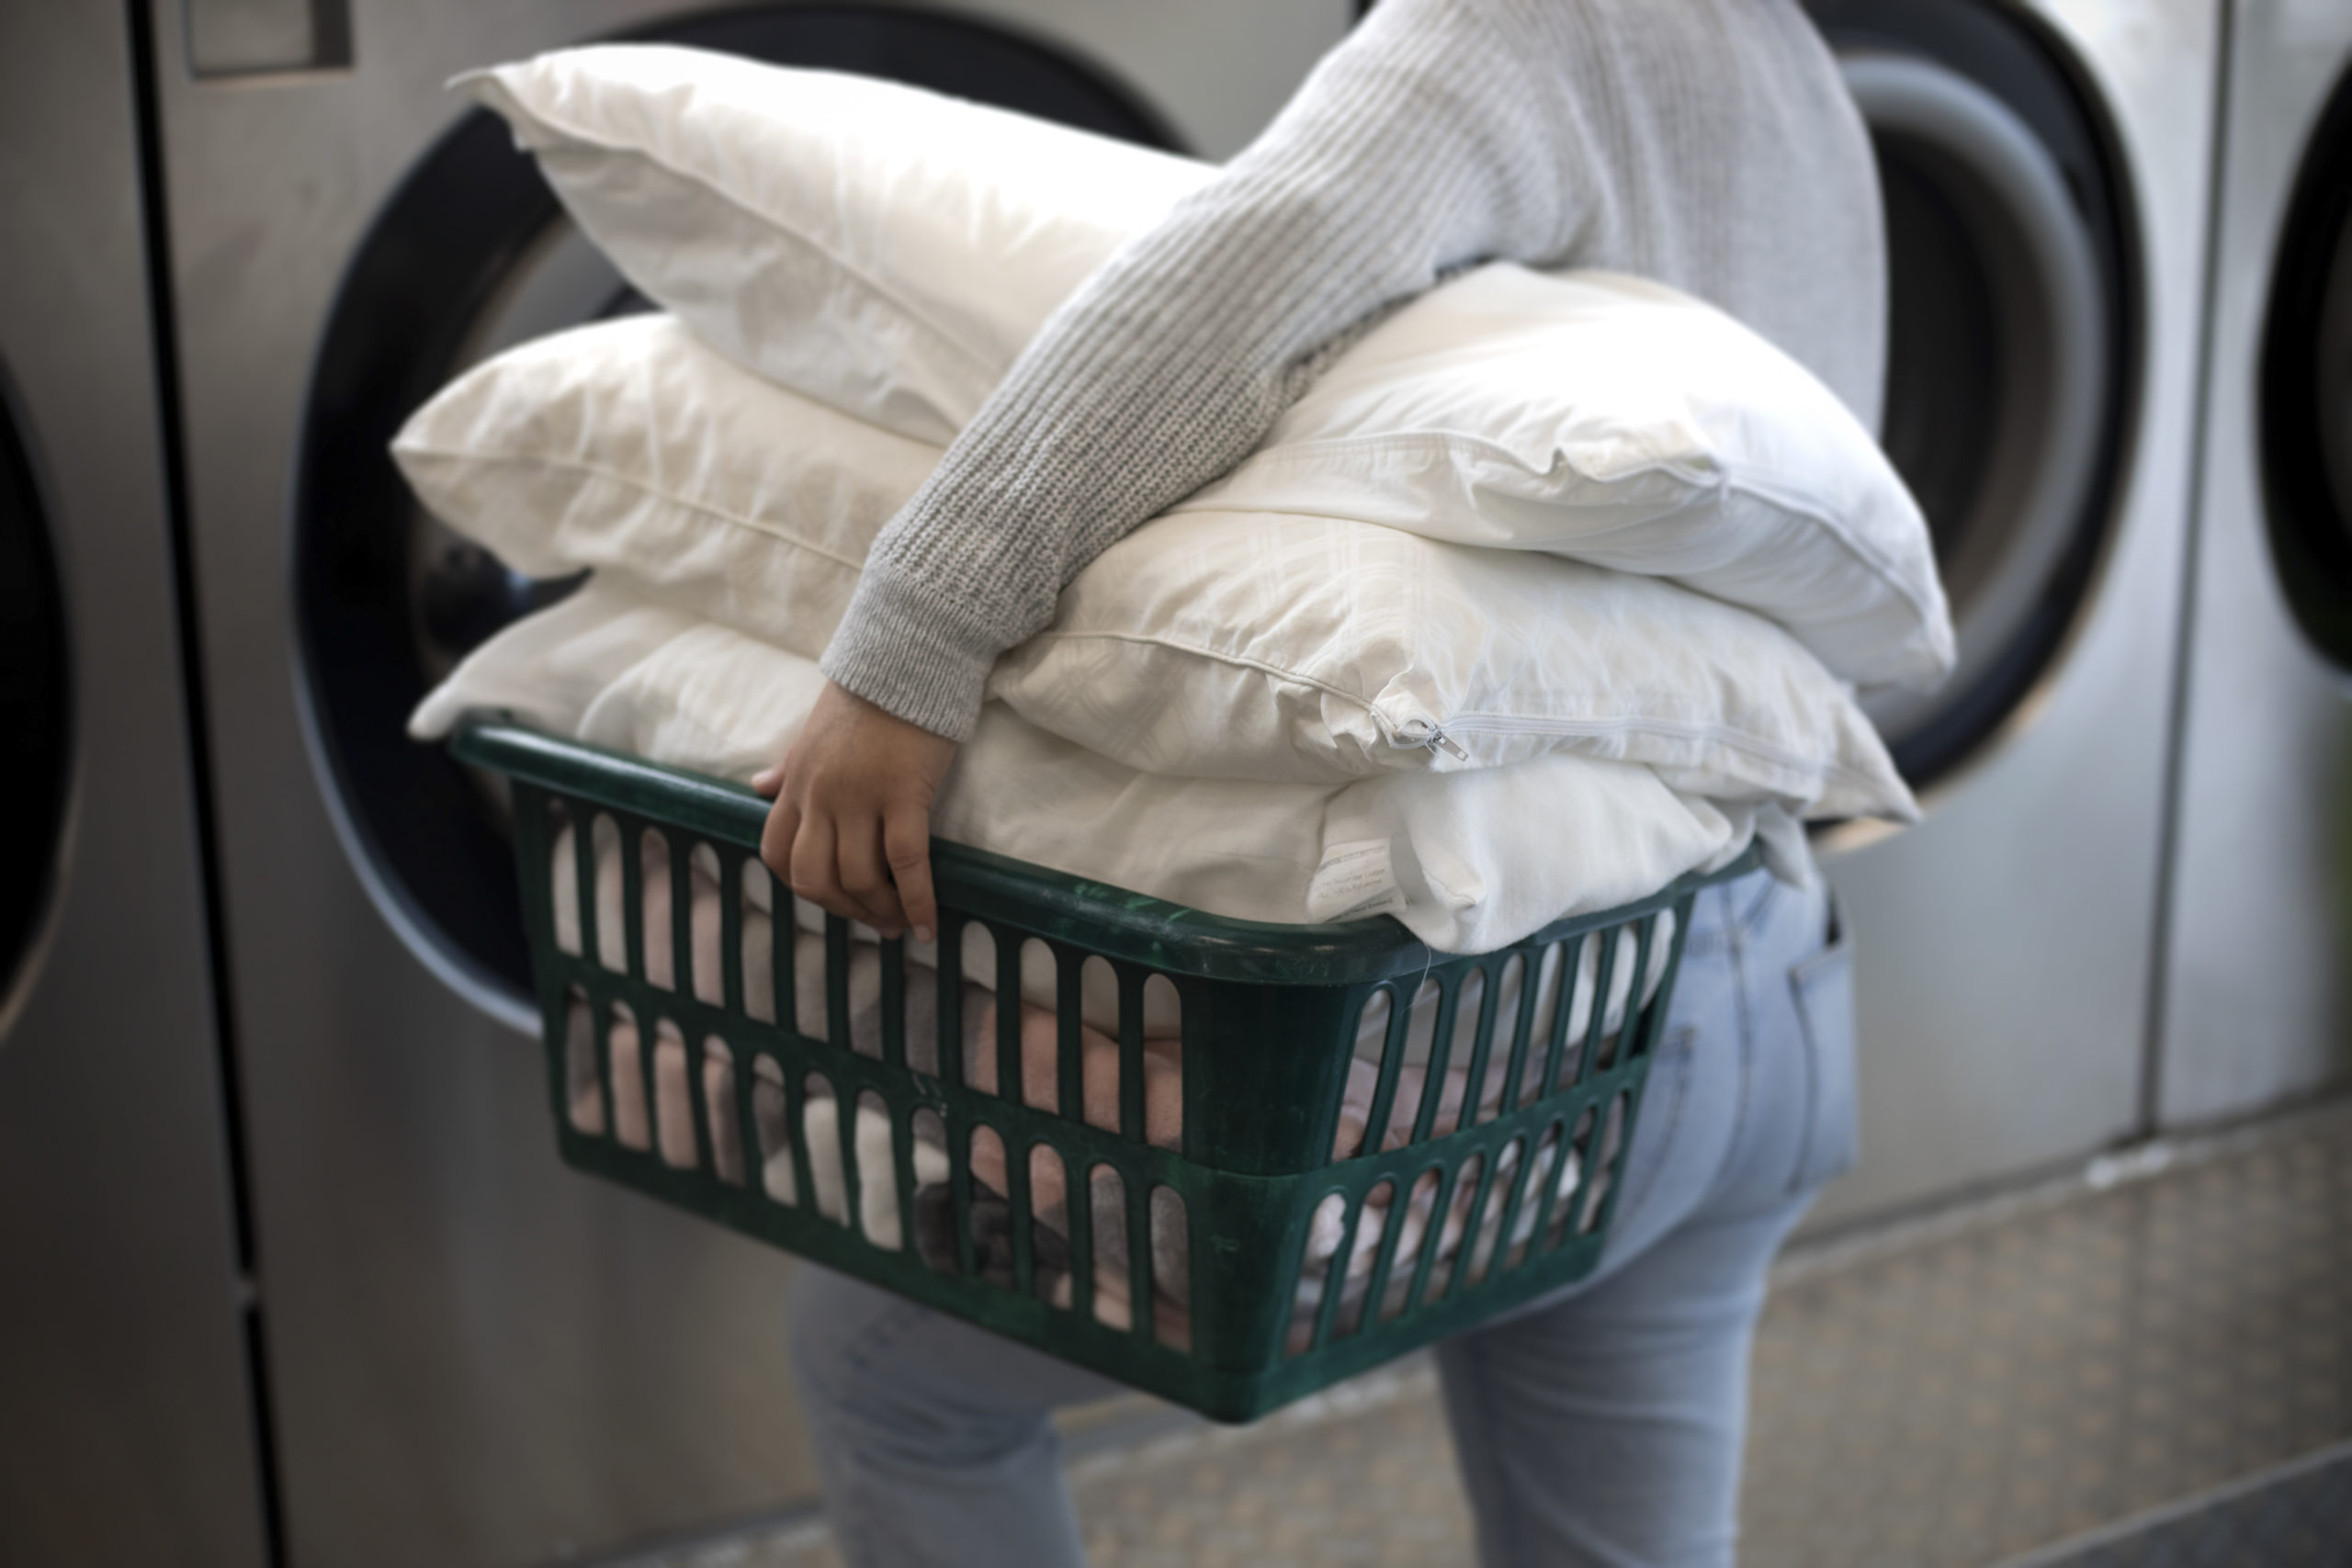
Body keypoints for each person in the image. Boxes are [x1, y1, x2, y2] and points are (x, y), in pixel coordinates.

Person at [755, 1, 1879, 1562]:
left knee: (879, 1369)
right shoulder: (1789, 58)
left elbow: (1228, 293)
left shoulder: (1516, 20)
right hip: (1762, 982)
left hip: (1532, 1032)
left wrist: (908, 646)